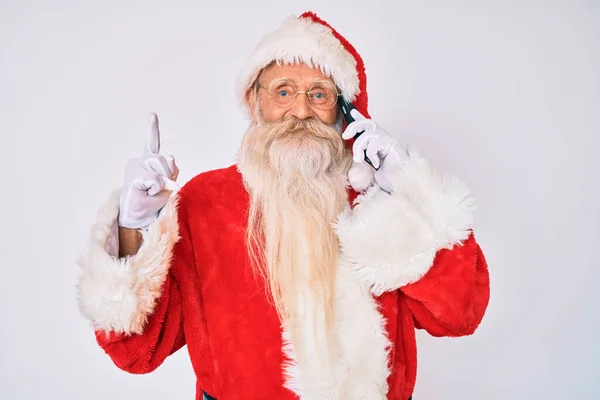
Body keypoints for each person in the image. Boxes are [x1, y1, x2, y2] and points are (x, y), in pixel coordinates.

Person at [76, 11, 490, 400]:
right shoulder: (204, 202)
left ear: (346, 112)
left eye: (320, 94)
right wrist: (135, 226)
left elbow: (459, 313)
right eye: (283, 91)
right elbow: (136, 350)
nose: (301, 110)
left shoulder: (376, 199)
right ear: (255, 104)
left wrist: (410, 193)